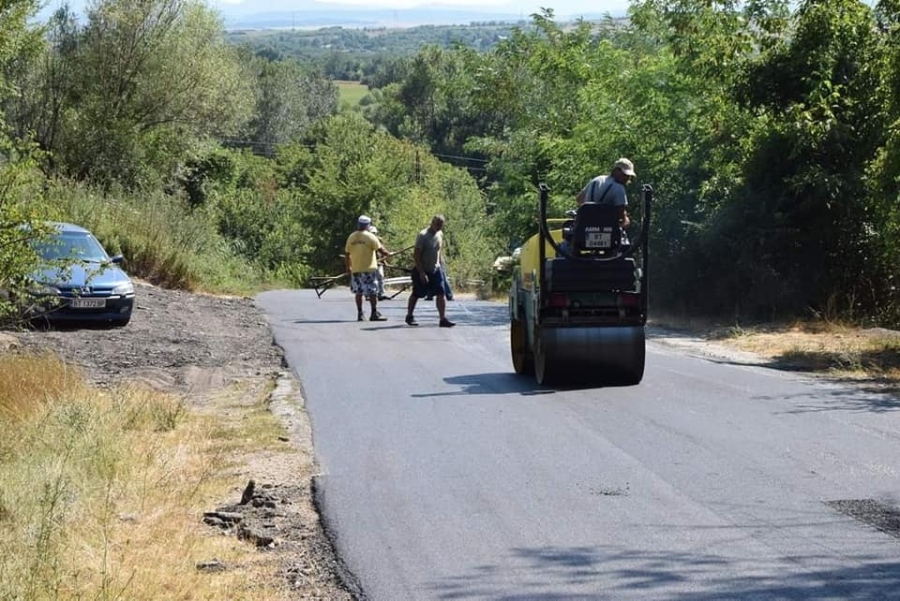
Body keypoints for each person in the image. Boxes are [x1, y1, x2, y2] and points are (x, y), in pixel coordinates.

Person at [405, 215, 455, 328]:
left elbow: (439, 250)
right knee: (418, 293)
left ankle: (442, 319)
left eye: (441, 225)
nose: (438, 226)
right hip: (422, 269)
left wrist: (441, 264)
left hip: (436, 269)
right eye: (437, 224)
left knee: (441, 293)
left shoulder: (440, 234)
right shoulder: (423, 235)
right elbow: (416, 255)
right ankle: (409, 315)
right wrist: (421, 273)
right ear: (432, 222)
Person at [345, 215, 391, 322]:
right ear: (367, 225)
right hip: (369, 269)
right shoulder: (370, 237)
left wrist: (348, 267)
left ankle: (360, 313)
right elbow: (381, 250)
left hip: (356, 268)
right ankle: (374, 312)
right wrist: (388, 253)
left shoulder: (351, 237)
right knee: (372, 291)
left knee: (358, 292)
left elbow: (347, 254)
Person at [575, 157, 636, 228]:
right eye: (624, 174)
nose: (626, 178)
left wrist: (590, 210)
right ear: (615, 170)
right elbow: (621, 212)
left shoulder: (596, 180)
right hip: (606, 229)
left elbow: (579, 199)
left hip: (585, 226)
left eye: (628, 176)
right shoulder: (619, 188)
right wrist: (626, 221)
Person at [368, 224, 393, 301]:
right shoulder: (367, 241)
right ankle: (372, 294)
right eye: (372, 233)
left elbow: (381, 252)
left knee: (380, 277)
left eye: (374, 233)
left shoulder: (379, 240)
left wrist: (384, 261)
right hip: (370, 263)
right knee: (372, 279)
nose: (373, 234)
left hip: (379, 263)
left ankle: (380, 293)